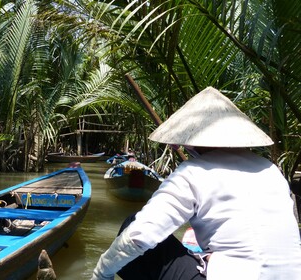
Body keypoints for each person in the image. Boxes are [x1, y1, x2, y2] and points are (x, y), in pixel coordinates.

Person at [92, 87, 301, 280]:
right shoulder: (271, 169)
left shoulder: (193, 172)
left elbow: (137, 238)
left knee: (132, 224)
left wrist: (101, 273)